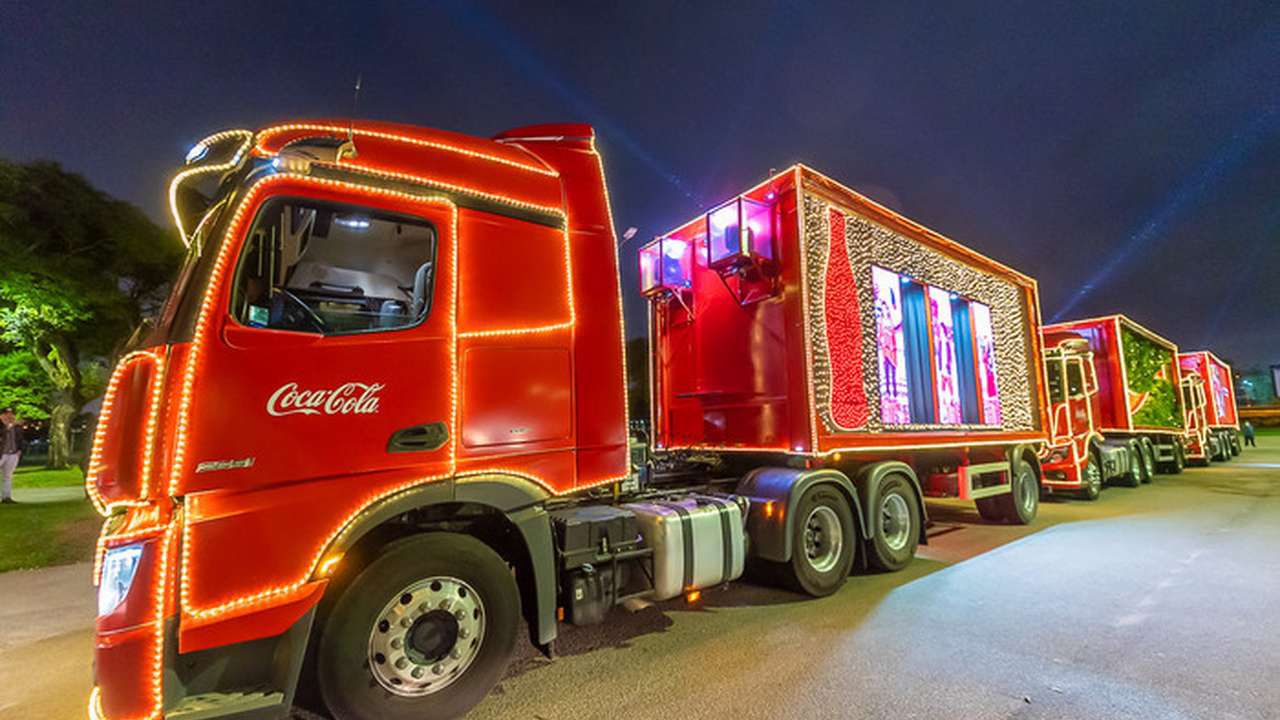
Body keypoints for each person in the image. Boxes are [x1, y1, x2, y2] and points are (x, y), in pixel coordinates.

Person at [1, 406, 25, 504]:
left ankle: (6, 497)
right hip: (1, 453)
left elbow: (20, 439)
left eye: (11, 414)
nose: (9, 416)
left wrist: (19, 450)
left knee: (8, 476)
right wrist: (9, 426)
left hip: (13, 453)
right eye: (6, 414)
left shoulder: (16, 427)